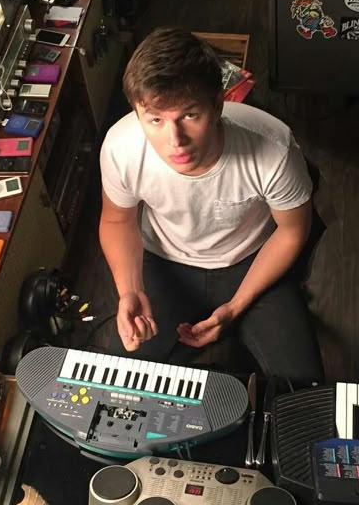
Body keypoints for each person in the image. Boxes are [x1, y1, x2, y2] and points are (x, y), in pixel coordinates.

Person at [98, 27, 324, 384]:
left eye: (190, 115)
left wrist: (235, 307)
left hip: (250, 261)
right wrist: (130, 289)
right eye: (155, 119)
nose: (175, 141)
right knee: (119, 378)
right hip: (166, 262)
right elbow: (117, 221)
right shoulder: (120, 147)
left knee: (303, 384)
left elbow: (293, 232)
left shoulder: (273, 149)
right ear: (137, 112)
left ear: (218, 103)